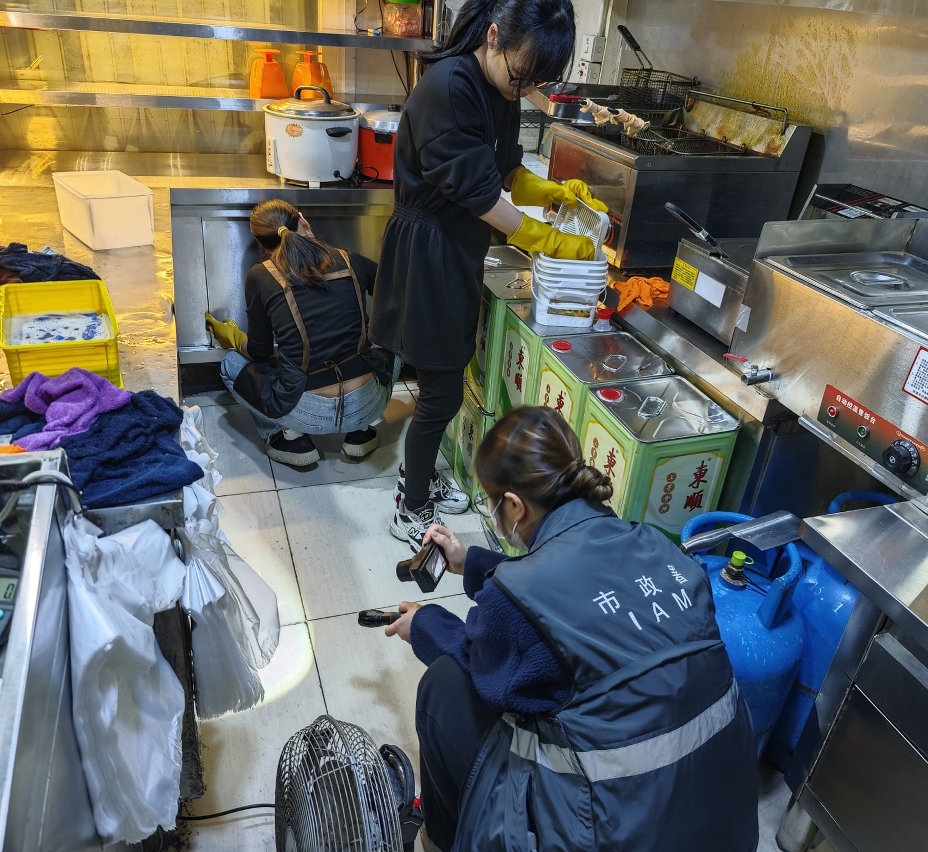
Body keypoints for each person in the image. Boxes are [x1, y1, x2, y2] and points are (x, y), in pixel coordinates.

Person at [384, 407, 759, 852]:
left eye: (491, 500)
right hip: (726, 821)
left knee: (444, 685)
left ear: (514, 505)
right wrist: (472, 562)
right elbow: (576, 593)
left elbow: (485, 661)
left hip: (614, 832)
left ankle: (441, 842)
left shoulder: (516, 596)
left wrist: (424, 623)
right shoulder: (658, 545)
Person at [370, 0, 609, 550]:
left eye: (534, 84)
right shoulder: (451, 86)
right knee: (440, 391)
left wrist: (550, 193)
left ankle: (419, 475)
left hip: (456, 249)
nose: (522, 90)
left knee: (445, 379)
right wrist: (547, 238)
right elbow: (479, 195)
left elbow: (502, 171)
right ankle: (411, 503)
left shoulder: (500, 88)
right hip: (428, 253)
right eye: (521, 76)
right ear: (495, 35)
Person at [211, 200, 398, 468]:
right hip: (368, 402)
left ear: (262, 244)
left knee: (230, 364)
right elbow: (395, 299)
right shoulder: (349, 260)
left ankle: (289, 438)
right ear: (303, 220)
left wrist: (235, 339)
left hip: (304, 412)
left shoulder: (260, 276)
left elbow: (260, 353)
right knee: (396, 348)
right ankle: (360, 431)